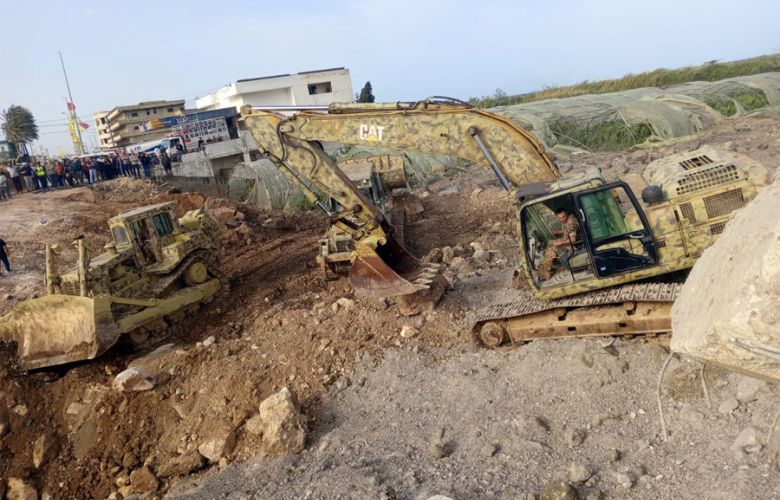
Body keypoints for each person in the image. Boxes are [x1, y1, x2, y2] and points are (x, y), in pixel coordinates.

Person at [538, 208, 581, 280]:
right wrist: (559, 232)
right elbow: (568, 231)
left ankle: (545, 273)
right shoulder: (566, 221)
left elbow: (573, 239)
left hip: (575, 245)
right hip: (569, 242)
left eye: (563, 217)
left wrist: (560, 243)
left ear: (567, 214)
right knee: (551, 242)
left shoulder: (571, 222)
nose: (562, 219)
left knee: (553, 248)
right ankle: (549, 263)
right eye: (560, 218)